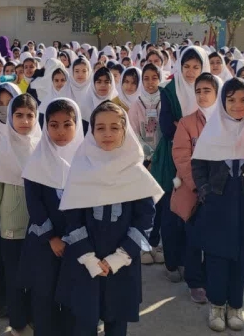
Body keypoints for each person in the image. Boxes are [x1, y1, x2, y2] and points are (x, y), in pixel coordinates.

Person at [56, 101, 163, 336]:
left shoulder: (135, 172)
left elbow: (145, 218)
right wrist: (88, 258)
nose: (107, 134)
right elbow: (72, 218)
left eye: (115, 127)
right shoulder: (81, 168)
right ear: (91, 131)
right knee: (84, 321)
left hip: (122, 264)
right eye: (100, 128)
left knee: (117, 321)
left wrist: (120, 257)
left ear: (125, 131)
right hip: (85, 262)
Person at [191, 78, 244, 332]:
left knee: (242, 259)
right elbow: (198, 164)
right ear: (222, 102)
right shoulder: (212, 130)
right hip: (218, 204)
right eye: (231, 100)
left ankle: (235, 305)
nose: (237, 105)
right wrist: (205, 191)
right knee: (216, 257)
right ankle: (217, 304)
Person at [0, 93, 42, 336]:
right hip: (12, 232)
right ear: (10, 118)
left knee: (37, 278)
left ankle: (35, 317)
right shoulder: (3, 153)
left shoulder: (43, 149)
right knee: (15, 279)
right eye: (18, 115)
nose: (24, 121)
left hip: (40, 230)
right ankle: (18, 323)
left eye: (29, 115)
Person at [20, 98, 84, 336]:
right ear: (45, 126)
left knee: (72, 291)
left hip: (77, 239)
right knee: (44, 292)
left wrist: (75, 236)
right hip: (45, 241)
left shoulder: (86, 160)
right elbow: (34, 204)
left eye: (67, 124)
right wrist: (52, 238)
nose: (60, 131)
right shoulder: (37, 160)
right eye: (53, 125)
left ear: (77, 125)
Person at [151, 46, 209, 282]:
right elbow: (166, 126)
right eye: (186, 66)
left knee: (194, 211)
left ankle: (188, 261)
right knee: (171, 210)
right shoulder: (169, 89)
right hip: (172, 159)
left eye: (196, 67)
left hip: (202, 158)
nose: (191, 71)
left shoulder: (208, 88)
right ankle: (172, 262)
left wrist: (183, 127)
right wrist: (189, 132)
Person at [170, 72, 221, 302]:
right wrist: (199, 186)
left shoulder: (226, 121)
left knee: (214, 239)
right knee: (193, 240)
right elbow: (181, 157)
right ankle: (195, 281)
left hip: (219, 193)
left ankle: (210, 277)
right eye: (198, 91)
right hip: (194, 193)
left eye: (207, 90)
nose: (202, 95)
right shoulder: (187, 123)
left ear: (217, 93)